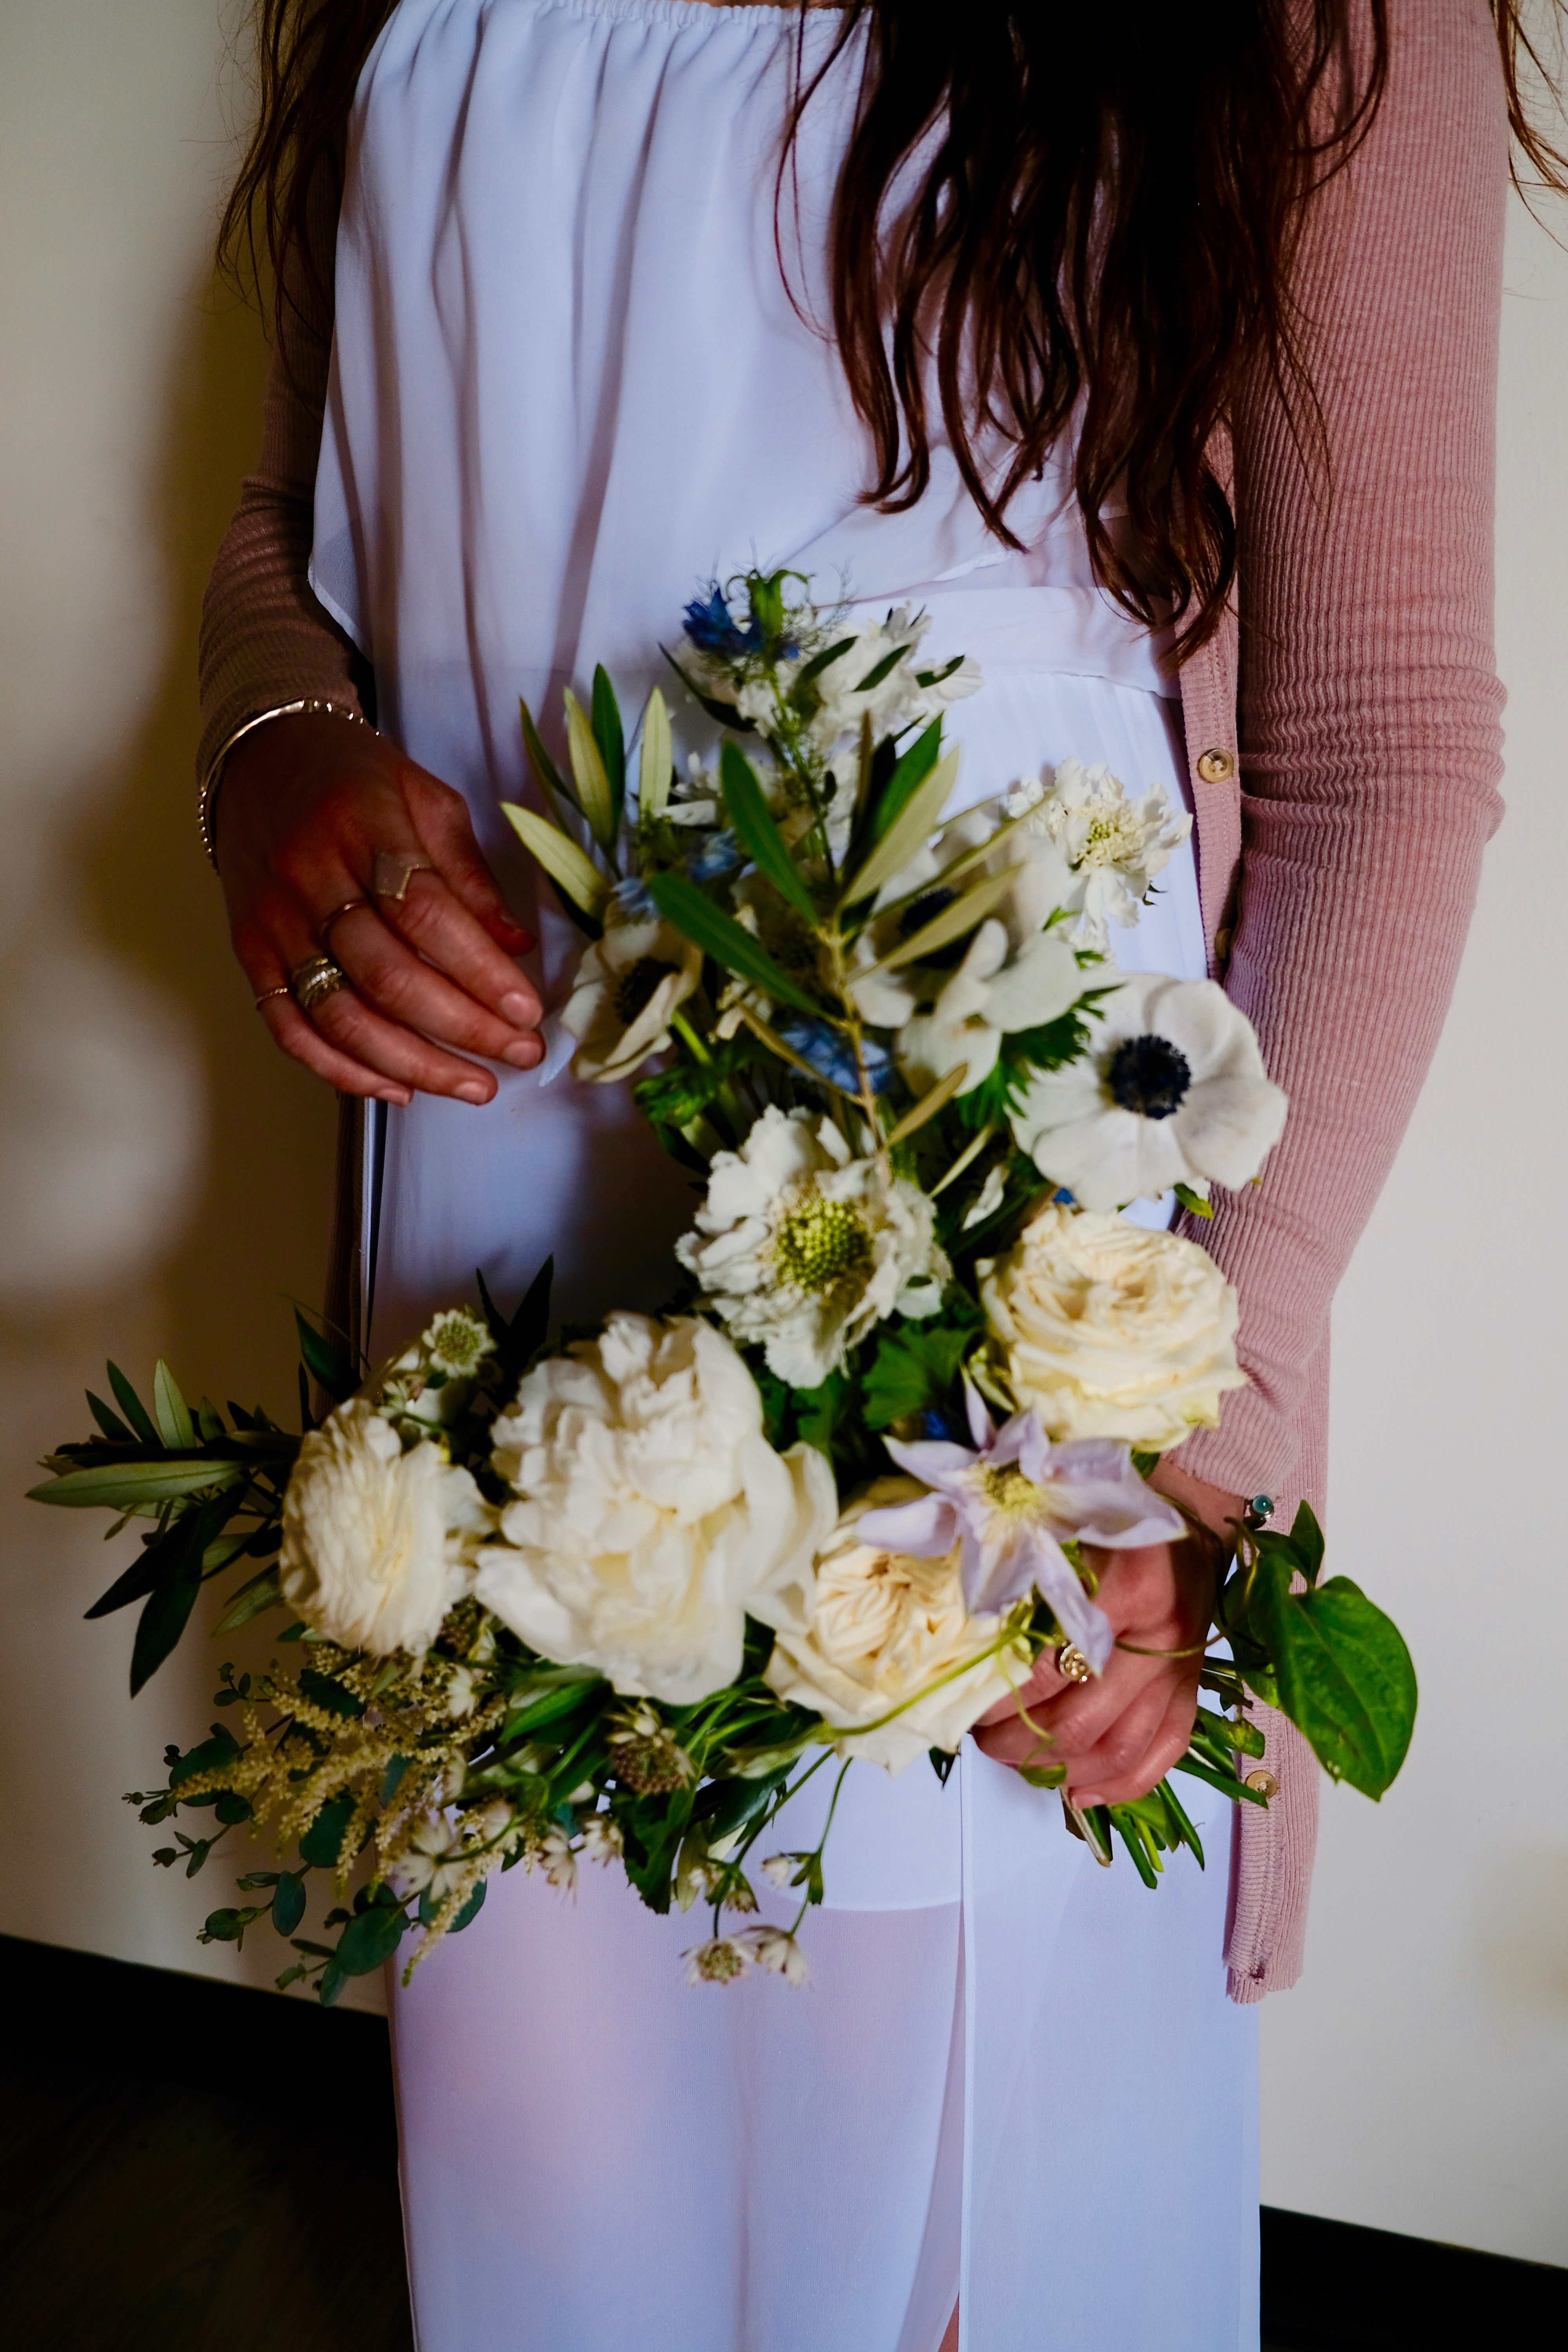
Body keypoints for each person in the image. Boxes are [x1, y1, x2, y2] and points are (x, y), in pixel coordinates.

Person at [196, 5, 1553, 2345]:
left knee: (948, 2229)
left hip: (996, 1303)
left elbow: (1386, 747)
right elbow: (301, 512)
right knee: (558, 2214)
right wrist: (274, 749)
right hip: (491, 1201)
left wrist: (1173, 1460)